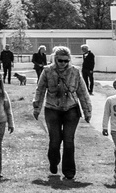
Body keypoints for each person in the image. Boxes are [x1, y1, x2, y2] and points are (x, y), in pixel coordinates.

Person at [33, 45, 93, 181]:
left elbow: (82, 92)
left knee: (68, 140)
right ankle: (53, 162)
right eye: (60, 60)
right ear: (55, 59)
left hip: (71, 109)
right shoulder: (47, 71)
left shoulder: (75, 72)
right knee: (55, 140)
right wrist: (36, 107)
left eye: (66, 61)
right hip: (52, 108)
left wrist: (87, 111)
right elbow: (40, 89)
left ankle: (69, 171)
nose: (63, 63)